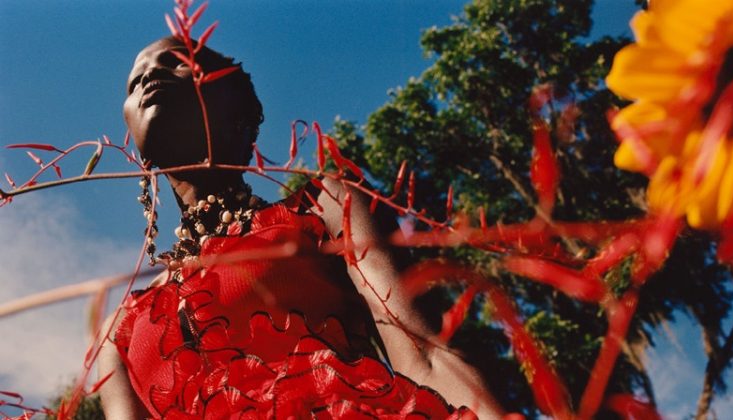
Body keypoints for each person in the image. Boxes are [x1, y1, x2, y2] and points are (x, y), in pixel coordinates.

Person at [97, 36, 503, 419]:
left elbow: (425, 355)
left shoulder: (325, 205)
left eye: (176, 62)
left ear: (237, 105)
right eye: (135, 81)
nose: (151, 76)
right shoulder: (122, 329)